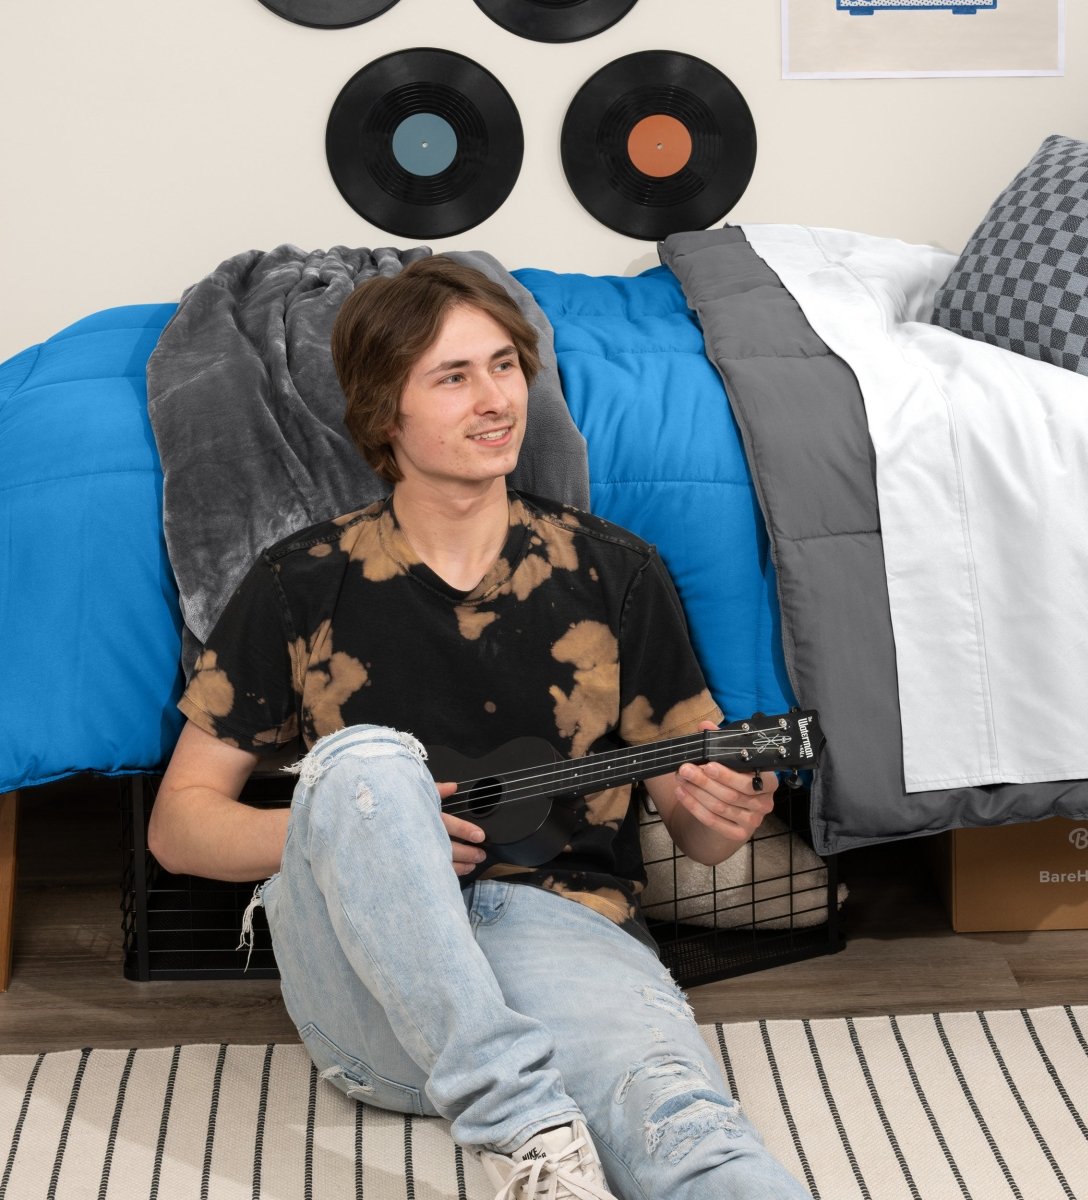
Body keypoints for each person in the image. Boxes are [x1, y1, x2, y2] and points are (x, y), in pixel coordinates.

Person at [148, 255, 812, 1200]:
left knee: (687, 1132)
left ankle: (543, 1130)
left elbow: (700, 837)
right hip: (366, 988)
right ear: (385, 415)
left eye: (503, 366)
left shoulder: (617, 574)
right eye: (453, 378)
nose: (496, 399)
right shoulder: (299, 584)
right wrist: (374, 829)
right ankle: (525, 1122)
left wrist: (724, 814)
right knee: (369, 762)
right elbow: (178, 826)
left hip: (564, 941)